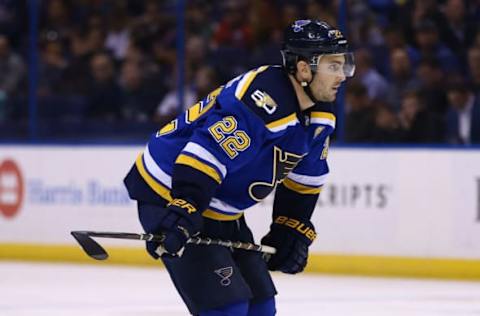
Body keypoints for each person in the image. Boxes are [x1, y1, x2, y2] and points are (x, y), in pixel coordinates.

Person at [124, 19, 355, 316]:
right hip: (171, 191)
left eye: (344, 65)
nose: (342, 76)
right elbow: (205, 154)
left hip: (219, 206)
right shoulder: (263, 98)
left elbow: (304, 179)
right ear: (302, 68)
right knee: (228, 309)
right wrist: (183, 209)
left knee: (261, 307)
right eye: (333, 66)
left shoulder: (321, 115)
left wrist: (289, 226)